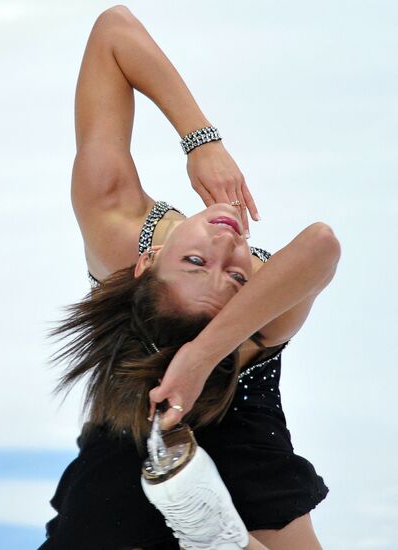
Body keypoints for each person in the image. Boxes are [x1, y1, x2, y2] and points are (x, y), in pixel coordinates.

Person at [39, 5, 341, 549]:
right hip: (176, 441)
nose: (227, 244)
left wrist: (199, 138)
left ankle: (218, 534)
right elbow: (321, 244)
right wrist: (202, 357)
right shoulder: (270, 303)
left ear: (145, 264)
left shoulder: (118, 227)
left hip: (145, 438)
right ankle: (222, 537)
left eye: (199, 263)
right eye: (236, 278)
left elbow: (114, 30)